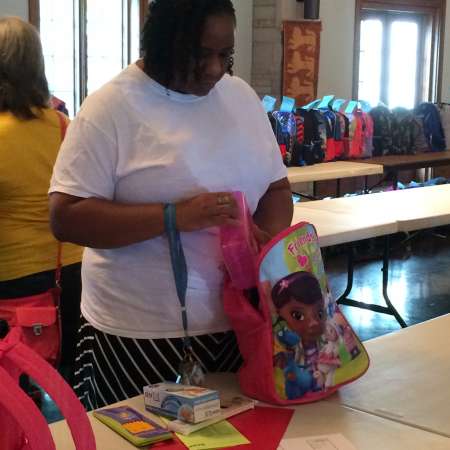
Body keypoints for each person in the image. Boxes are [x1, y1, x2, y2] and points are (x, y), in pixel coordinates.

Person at [49, 0, 293, 410]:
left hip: (241, 322)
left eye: (225, 55)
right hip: (141, 332)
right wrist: (174, 217)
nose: (215, 69)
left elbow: (276, 189)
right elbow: (66, 216)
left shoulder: (240, 97)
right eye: (199, 55)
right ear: (161, 45)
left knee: (239, 434)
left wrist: (265, 242)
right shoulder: (111, 107)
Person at [0, 17, 83, 385]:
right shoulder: (66, 126)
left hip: (12, 284)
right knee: (70, 388)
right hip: (72, 276)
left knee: (13, 395)